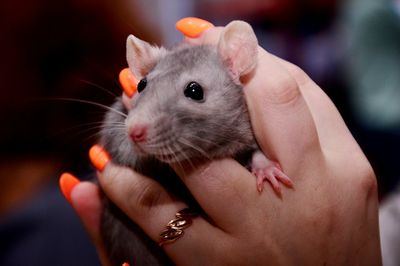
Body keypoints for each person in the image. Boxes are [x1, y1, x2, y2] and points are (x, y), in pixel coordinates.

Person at [60, 18, 382, 265]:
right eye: (143, 86)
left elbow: (250, 151)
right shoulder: (124, 119)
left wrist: (260, 162)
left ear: (237, 63)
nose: (138, 125)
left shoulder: (253, 117)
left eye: (194, 92)